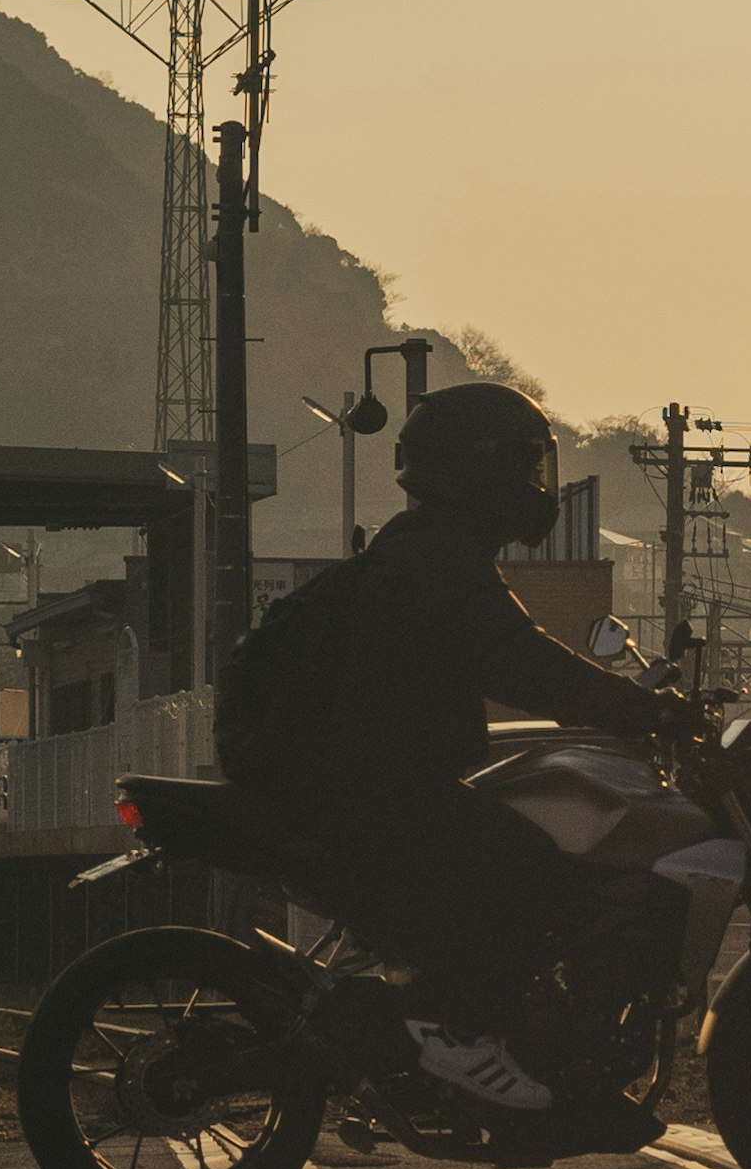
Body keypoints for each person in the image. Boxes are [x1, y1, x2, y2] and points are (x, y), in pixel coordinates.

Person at [214, 379, 673, 1107]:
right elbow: (519, 660)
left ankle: (453, 1029)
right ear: (482, 469)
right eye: (526, 467)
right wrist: (641, 712)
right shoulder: (437, 564)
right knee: (523, 861)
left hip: (350, 776)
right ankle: (464, 1039)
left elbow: (512, 657)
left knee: (496, 852)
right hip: (359, 784)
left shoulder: (429, 553)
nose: (535, 487)